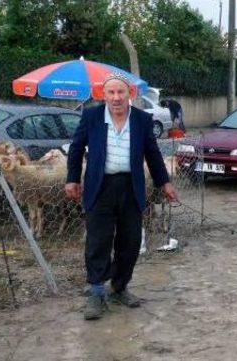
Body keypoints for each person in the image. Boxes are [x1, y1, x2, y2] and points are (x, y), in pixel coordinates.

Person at [65, 73, 178, 320]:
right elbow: (75, 148)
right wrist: (72, 178)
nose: (116, 98)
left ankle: (119, 287)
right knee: (98, 241)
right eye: (111, 93)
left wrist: (165, 182)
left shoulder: (141, 119)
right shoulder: (92, 117)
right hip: (100, 187)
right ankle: (96, 292)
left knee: (130, 242)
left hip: (130, 187)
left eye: (121, 93)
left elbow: (153, 153)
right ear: (103, 95)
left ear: (130, 95)